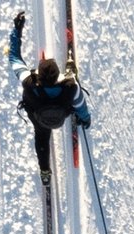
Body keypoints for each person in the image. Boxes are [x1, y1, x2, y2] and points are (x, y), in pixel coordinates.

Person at [7, 12, 90, 178]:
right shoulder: (70, 87)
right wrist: (85, 119)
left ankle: (44, 170)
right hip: (61, 116)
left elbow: (14, 58)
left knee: (41, 138)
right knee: (71, 85)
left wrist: (17, 30)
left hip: (39, 119)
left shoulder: (28, 82)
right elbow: (80, 105)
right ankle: (70, 70)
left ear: (39, 74)